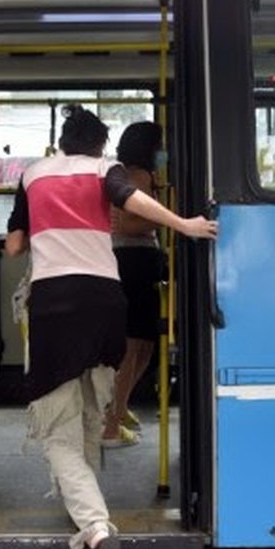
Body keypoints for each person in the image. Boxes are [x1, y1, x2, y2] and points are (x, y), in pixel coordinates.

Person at [4, 105, 217, 549]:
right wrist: (185, 226)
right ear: (100, 144)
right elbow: (131, 198)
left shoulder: (32, 174)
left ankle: (97, 531)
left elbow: (14, 246)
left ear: (62, 141)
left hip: (56, 308)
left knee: (57, 434)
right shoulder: (106, 170)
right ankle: (85, 519)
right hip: (106, 304)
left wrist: (42, 231)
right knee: (87, 421)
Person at [103, 121, 165, 448]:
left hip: (131, 260)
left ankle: (119, 408)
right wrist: (167, 215)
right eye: (161, 146)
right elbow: (129, 224)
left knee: (144, 346)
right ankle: (110, 425)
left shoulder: (128, 174)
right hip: (134, 260)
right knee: (133, 347)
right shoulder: (138, 176)